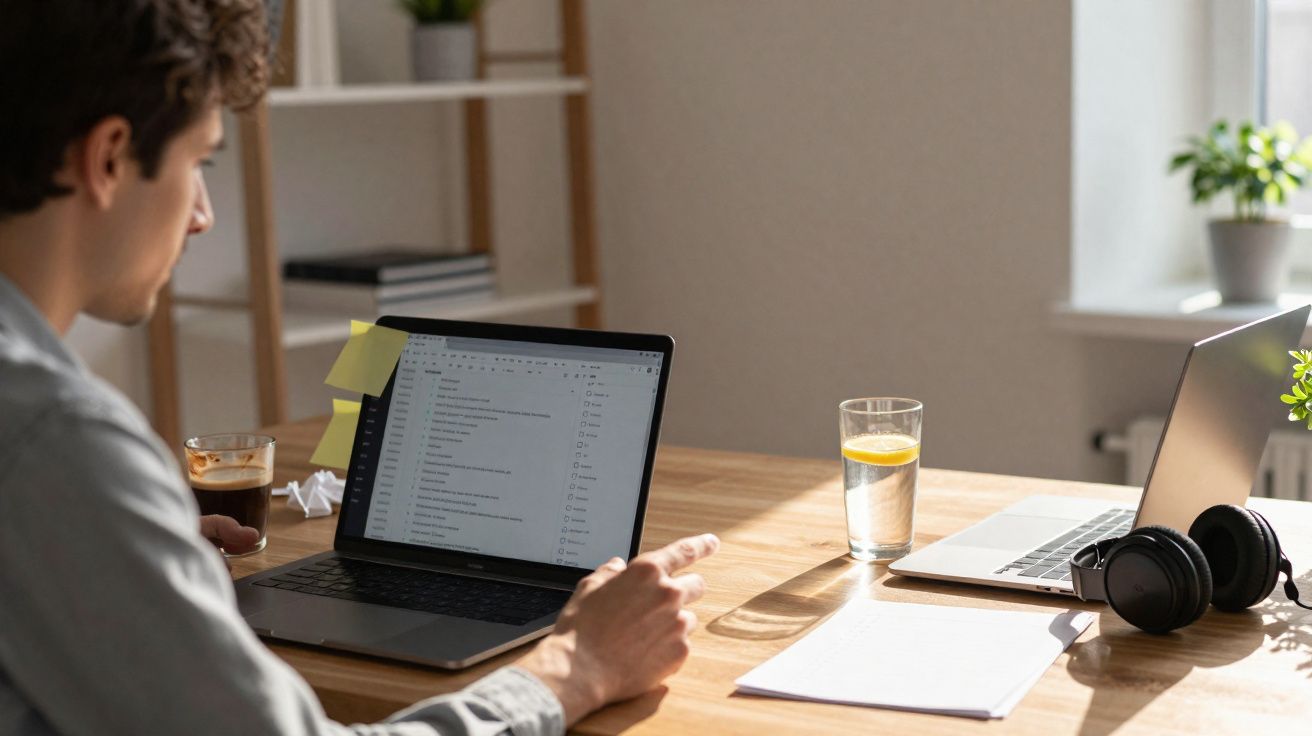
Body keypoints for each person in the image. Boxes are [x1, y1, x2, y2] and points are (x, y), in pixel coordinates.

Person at [0, 1, 718, 734]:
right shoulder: (57, 439)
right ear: (110, 157)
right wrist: (576, 667)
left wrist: (128, 550)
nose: (202, 215)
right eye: (200, 162)